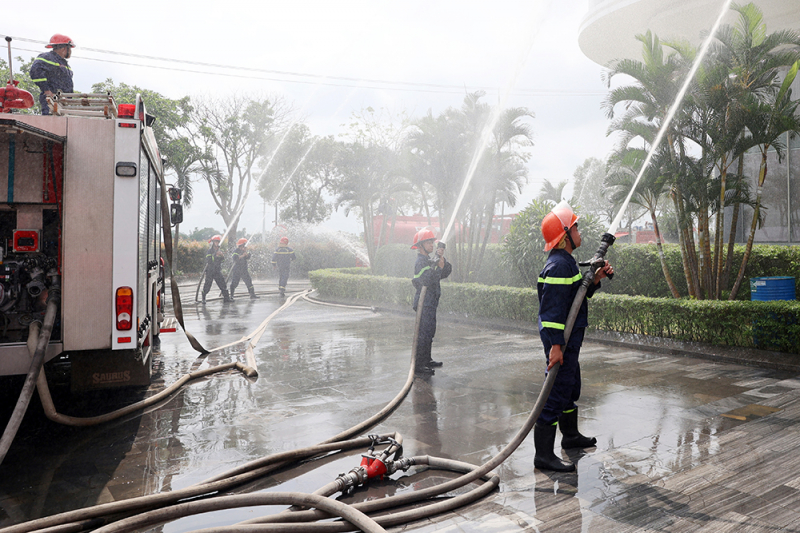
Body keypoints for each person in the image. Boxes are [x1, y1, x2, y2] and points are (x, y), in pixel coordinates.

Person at [533, 201, 613, 472]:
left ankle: (570, 436)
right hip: (561, 343)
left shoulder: (566, 263)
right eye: (576, 228)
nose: (580, 232)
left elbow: (574, 299)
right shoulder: (559, 266)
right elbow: (552, 312)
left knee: (569, 387)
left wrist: (596, 279)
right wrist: (556, 346)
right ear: (565, 235)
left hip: (568, 342)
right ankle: (543, 455)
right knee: (555, 392)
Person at [411, 228, 452, 376]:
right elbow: (427, 280)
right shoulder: (420, 262)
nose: (431, 245)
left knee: (429, 332)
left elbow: (444, 272)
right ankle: (418, 365)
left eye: (432, 242)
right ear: (420, 245)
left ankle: (426, 360)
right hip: (424, 303)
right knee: (423, 334)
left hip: (431, 302)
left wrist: (442, 261)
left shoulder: (429, 260)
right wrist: (438, 268)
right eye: (428, 242)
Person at [29, 34, 75, 116]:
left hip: (63, 102)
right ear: (65, 48)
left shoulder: (64, 64)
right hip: (51, 100)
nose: (71, 51)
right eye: (70, 48)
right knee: (51, 121)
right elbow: (35, 71)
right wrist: (46, 90)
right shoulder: (47, 57)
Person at [202, 235, 232, 303]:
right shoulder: (209, 251)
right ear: (213, 242)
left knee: (222, 284)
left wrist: (222, 256)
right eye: (216, 242)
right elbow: (209, 260)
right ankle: (203, 298)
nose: (217, 243)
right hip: (210, 271)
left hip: (217, 271)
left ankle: (226, 298)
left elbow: (222, 261)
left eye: (218, 242)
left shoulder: (220, 251)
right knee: (207, 285)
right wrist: (216, 255)